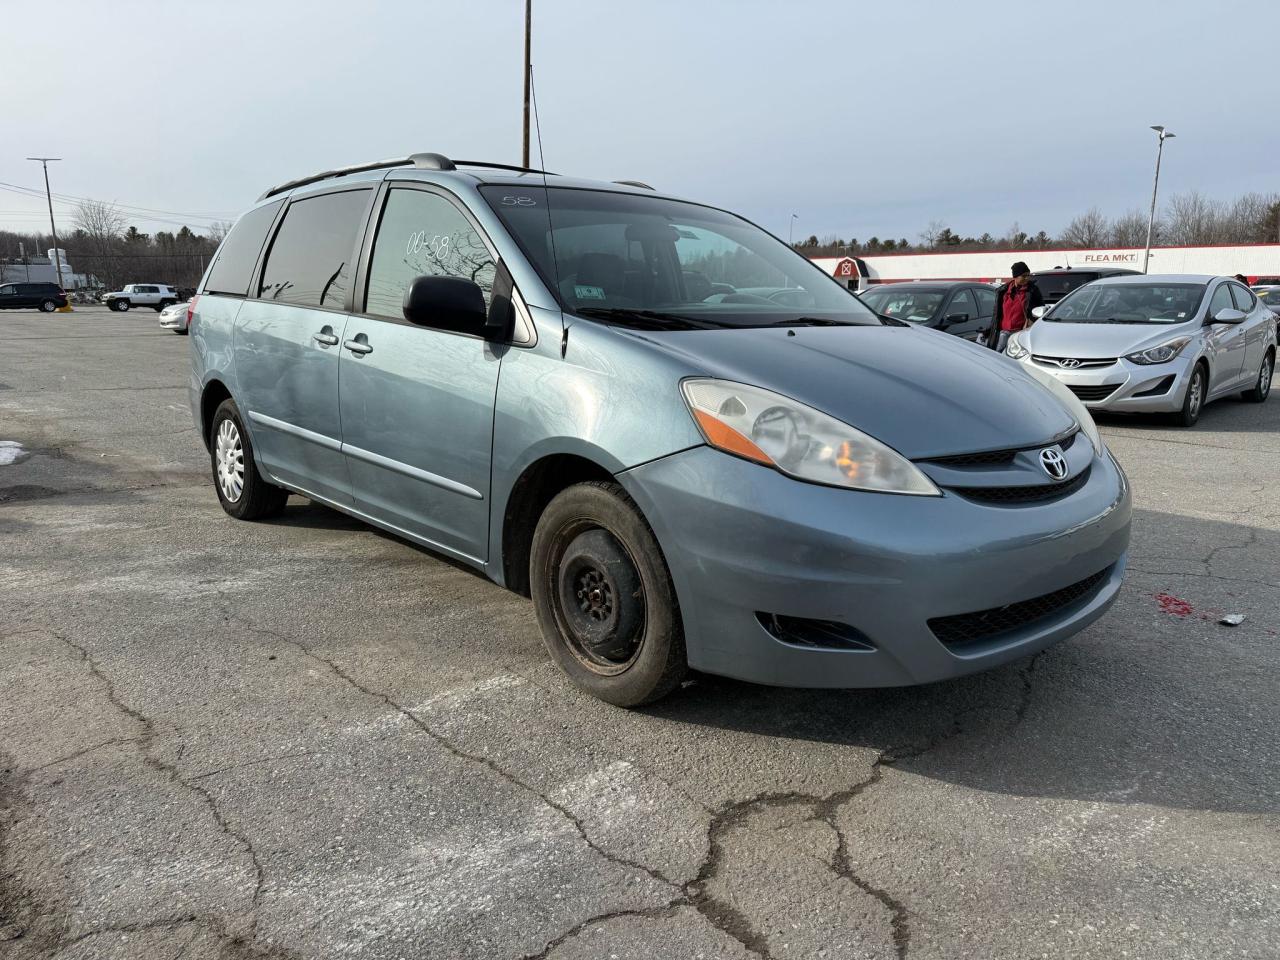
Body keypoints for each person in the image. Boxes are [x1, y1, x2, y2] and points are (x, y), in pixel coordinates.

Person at [986, 261, 1043, 352]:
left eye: (1028, 275)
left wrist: (1030, 321)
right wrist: (990, 329)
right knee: (998, 354)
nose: (1027, 278)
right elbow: (996, 312)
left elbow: (1040, 309)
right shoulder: (1003, 291)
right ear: (1015, 277)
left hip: (1020, 333)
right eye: (1024, 276)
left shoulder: (1032, 291)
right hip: (1003, 332)